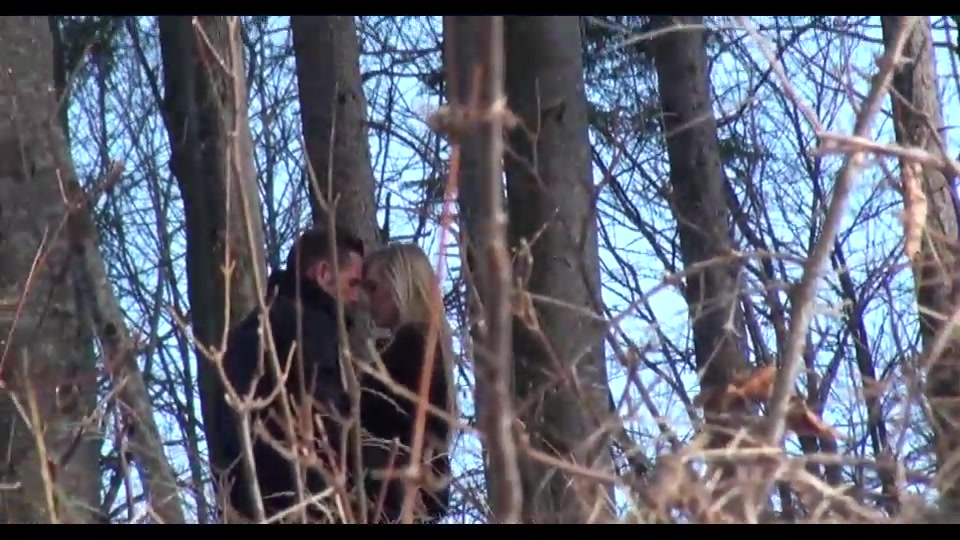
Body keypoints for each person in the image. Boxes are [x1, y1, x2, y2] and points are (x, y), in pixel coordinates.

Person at [210, 225, 365, 523]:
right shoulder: (308, 327)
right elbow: (324, 421)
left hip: (247, 503)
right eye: (352, 283)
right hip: (297, 503)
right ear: (324, 273)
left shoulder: (256, 326)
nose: (357, 297)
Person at [358, 243, 457, 524]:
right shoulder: (429, 344)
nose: (366, 300)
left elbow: (411, 427)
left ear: (399, 285)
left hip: (398, 493)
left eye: (374, 288)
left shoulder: (411, 345)